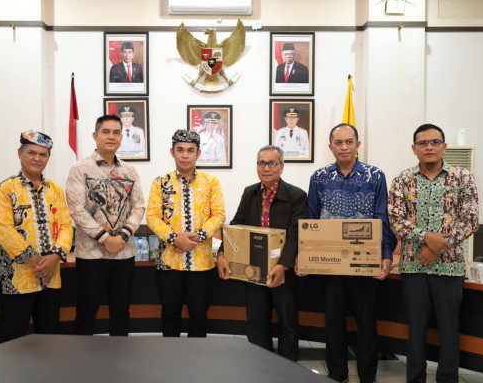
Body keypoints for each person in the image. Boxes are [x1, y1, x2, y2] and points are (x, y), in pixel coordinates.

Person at [299, 123, 397, 383]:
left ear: (357, 145)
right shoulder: (319, 177)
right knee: (333, 322)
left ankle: (367, 377)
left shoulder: (375, 176)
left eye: (349, 142)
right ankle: (337, 375)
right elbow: (312, 218)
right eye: (338, 143)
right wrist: (304, 254)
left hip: (365, 262)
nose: (344, 147)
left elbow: (382, 217)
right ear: (330, 147)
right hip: (330, 263)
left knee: (366, 322)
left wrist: (387, 254)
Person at [388, 123, 479, 383]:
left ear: (444, 146)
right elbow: (395, 220)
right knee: (415, 330)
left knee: (449, 329)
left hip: (450, 267)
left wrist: (436, 249)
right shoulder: (403, 180)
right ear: (414, 148)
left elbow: (470, 220)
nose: (429, 147)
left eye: (434, 142)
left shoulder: (463, 177)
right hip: (413, 266)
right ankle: (416, 378)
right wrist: (427, 239)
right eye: (423, 143)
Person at [216, 145, 307, 361]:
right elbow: (236, 226)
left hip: (283, 270)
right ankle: (260, 365)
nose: (266, 168)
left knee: (287, 322)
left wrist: (283, 265)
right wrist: (221, 254)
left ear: (281, 167)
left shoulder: (296, 195)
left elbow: (295, 234)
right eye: (261, 163)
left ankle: (287, 369)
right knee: (256, 321)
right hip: (254, 268)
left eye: (272, 163)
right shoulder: (250, 193)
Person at [66, 114, 145, 336]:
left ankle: (119, 356)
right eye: (106, 132)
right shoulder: (80, 169)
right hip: (91, 256)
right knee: (86, 313)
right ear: (95, 135)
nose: (111, 136)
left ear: (121, 137)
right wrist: (105, 238)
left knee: (121, 313)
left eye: (116, 132)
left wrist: (122, 237)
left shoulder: (130, 171)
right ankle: (82, 357)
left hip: (124, 253)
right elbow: (76, 210)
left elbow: (139, 207)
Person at [0, 130, 73, 344]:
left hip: (50, 280)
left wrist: (55, 258)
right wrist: (39, 264)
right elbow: (4, 231)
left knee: (49, 341)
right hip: (16, 281)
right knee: (11, 343)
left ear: (48, 157)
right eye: (32, 153)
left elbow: (66, 226)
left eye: (43, 154)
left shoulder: (55, 190)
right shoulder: (4, 189)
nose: (37, 158)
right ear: (20, 153)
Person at [146, 129, 226, 337]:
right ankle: (171, 355)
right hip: (168, 261)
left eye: (190, 150)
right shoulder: (160, 182)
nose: (184, 155)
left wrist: (198, 236)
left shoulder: (211, 182)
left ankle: (196, 357)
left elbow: (219, 215)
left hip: (202, 263)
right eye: (180, 150)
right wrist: (175, 239)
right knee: (170, 314)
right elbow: (152, 216)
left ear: (198, 153)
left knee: (199, 315)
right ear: (172, 152)